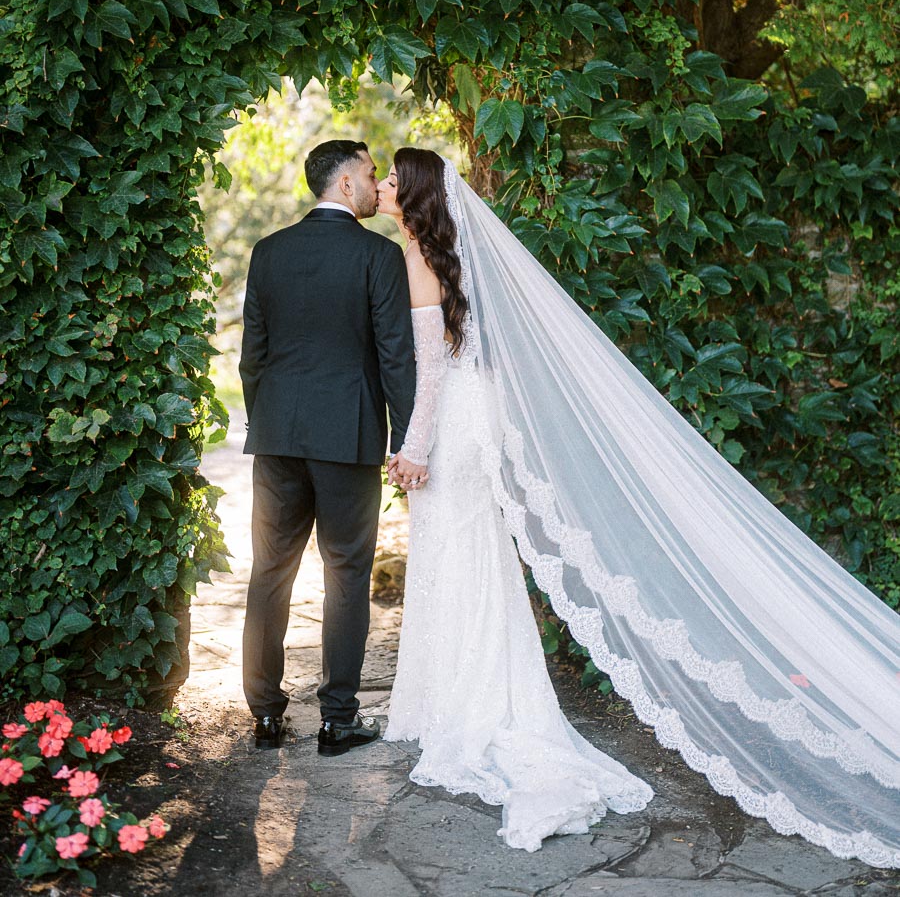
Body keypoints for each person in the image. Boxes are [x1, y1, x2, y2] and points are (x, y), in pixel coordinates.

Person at [377, 148, 900, 864]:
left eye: (388, 177)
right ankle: (464, 694)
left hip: (453, 428)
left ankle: (460, 704)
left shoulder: (419, 258)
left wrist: (413, 449)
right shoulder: (450, 252)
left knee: (456, 553)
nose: (377, 184)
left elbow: (430, 373)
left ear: (411, 192)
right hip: (481, 416)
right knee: (475, 557)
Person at [239, 139, 417, 754]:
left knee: (270, 571)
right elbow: (397, 358)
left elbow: (252, 358)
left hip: (277, 437)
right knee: (345, 574)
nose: (376, 185)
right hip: (349, 436)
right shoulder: (379, 255)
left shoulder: (269, 252)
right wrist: (407, 437)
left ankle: (264, 713)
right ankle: (338, 720)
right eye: (370, 174)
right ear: (345, 184)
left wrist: (266, 424)